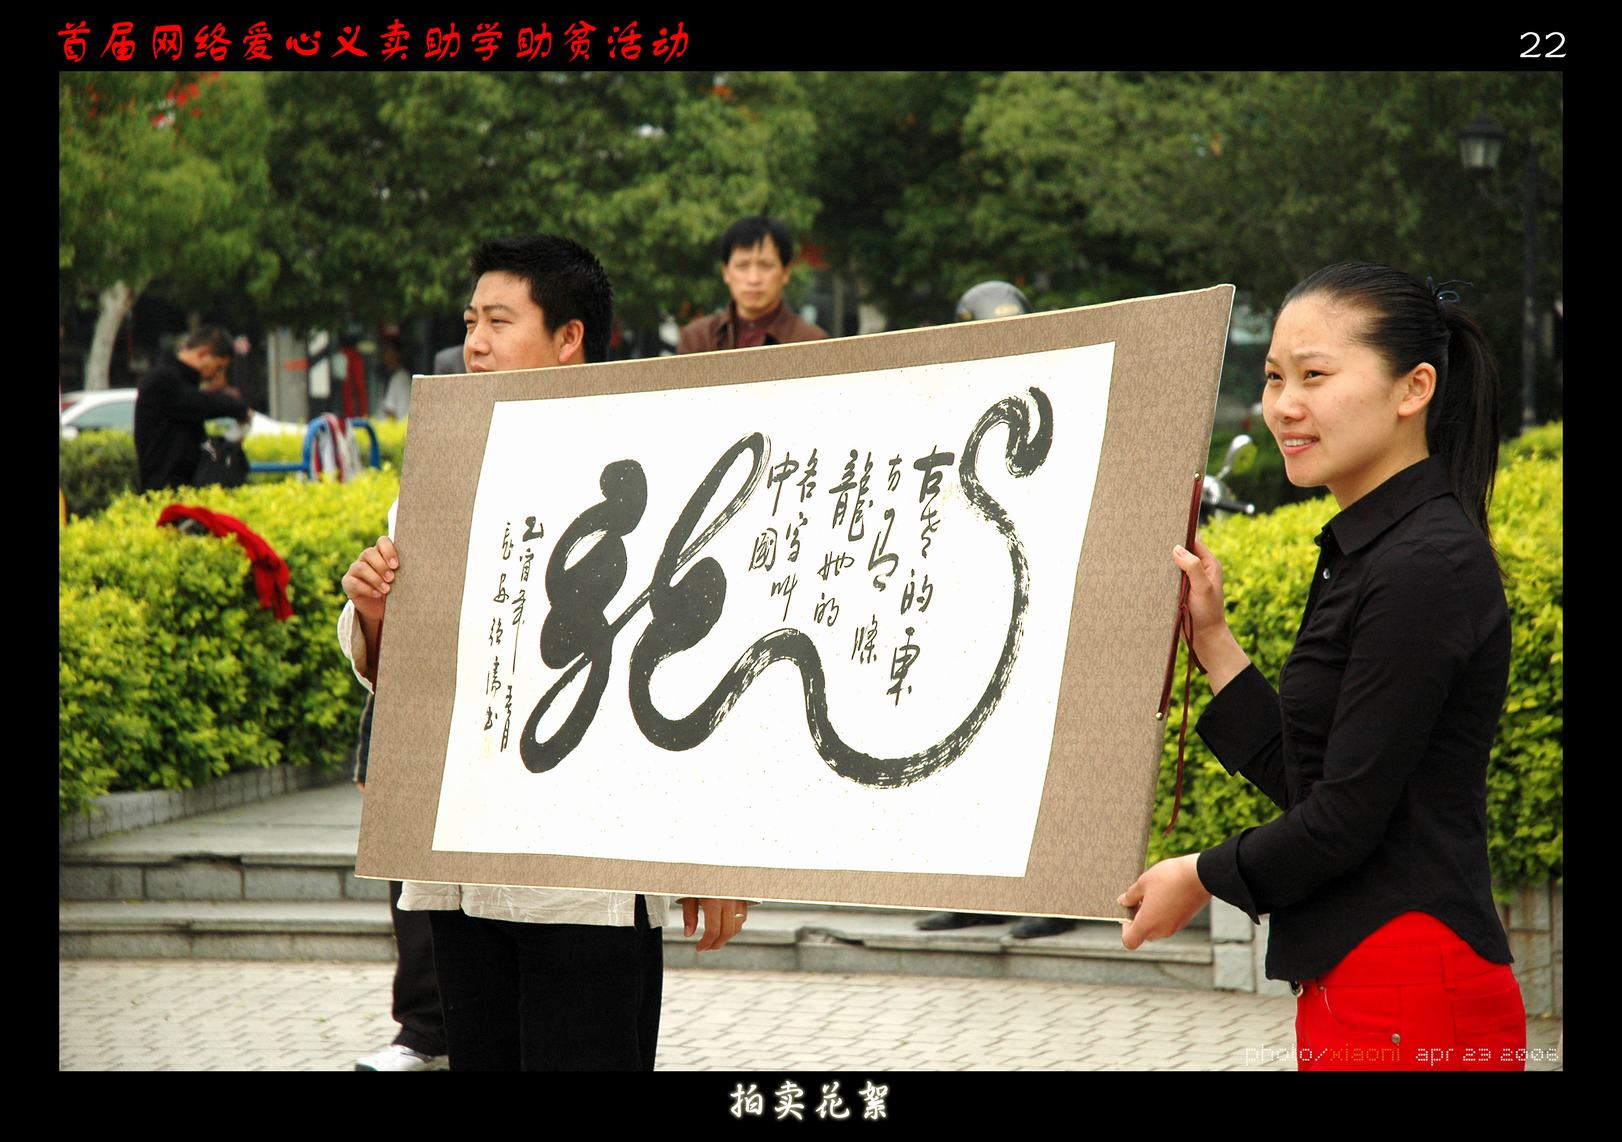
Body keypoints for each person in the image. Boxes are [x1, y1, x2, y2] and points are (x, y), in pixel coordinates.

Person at [339, 234, 750, 1071]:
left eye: (499, 321)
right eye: (470, 322)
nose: (475, 343)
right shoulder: (443, 466)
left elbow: (701, 659)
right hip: (463, 863)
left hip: (589, 874)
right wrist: (375, 610)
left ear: (569, 337)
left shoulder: (659, 457)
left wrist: (716, 851)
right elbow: (401, 672)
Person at [1119, 262, 1525, 1071]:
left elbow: (1342, 820)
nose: (1284, 405)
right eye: (1274, 377)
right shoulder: (1369, 549)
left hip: (1411, 987)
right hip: (1363, 983)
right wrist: (1213, 639)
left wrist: (1201, 874)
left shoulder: (1425, 564)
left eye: (1314, 375)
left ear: (1414, 388)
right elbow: (1317, 781)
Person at [914, 281, 1076, 940]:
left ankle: (1056, 894)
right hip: (964, 598)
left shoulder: (1056, 399)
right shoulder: (943, 400)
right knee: (968, 751)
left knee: (1039, 749)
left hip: (1035, 596)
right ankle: (976, 889)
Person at [350, 692, 448, 1072]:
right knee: (414, 886)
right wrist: (372, 754)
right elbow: (391, 667)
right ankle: (424, 1033)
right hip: (421, 721)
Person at [676, 215, 828, 354]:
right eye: (742, 266)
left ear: (786, 272)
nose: (753, 279)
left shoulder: (812, 343)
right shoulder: (697, 339)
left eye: (766, 265)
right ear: (726, 272)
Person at [133, 325, 249, 492]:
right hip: (164, 489)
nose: (217, 374)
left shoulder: (179, 380)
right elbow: (207, 404)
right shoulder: (163, 380)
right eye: (218, 367)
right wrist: (240, 408)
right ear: (203, 353)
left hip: (182, 486)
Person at [378, 336, 412, 420]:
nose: (383, 354)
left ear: (397, 354)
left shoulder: (400, 377)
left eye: (387, 350)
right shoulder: (389, 375)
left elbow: (391, 412)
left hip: (398, 425)